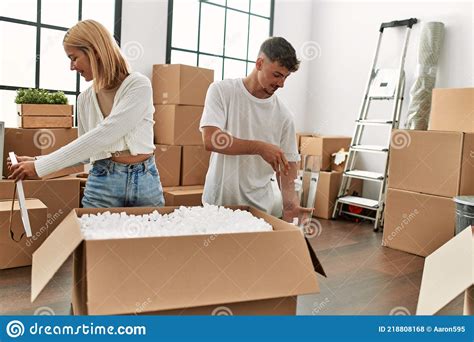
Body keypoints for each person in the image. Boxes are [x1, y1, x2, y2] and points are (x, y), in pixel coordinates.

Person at [8, 19, 164, 208]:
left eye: (74, 58)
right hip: (102, 181)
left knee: (151, 237)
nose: (72, 67)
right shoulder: (84, 99)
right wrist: (37, 160)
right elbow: (87, 152)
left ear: (95, 51)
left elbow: (109, 132)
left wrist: (41, 167)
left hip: (145, 181)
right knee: (91, 237)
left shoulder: (138, 85)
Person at [200, 37, 308, 223]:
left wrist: (290, 205)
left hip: (258, 211)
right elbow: (210, 139)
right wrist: (259, 148)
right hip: (216, 205)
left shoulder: (284, 115)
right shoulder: (222, 91)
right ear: (259, 63)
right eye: (277, 75)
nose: (281, 84)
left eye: (286, 77)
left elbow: (288, 166)